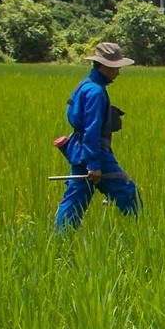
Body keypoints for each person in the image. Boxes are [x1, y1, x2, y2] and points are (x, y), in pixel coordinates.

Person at [54, 43, 139, 231]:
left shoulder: (85, 86)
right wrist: (94, 165)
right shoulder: (95, 92)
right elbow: (91, 129)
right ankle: (141, 235)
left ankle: (59, 241)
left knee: (75, 199)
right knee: (128, 192)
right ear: (105, 66)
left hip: (79, 150)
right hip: (94, 153)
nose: (119, 72)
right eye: (116, 67)